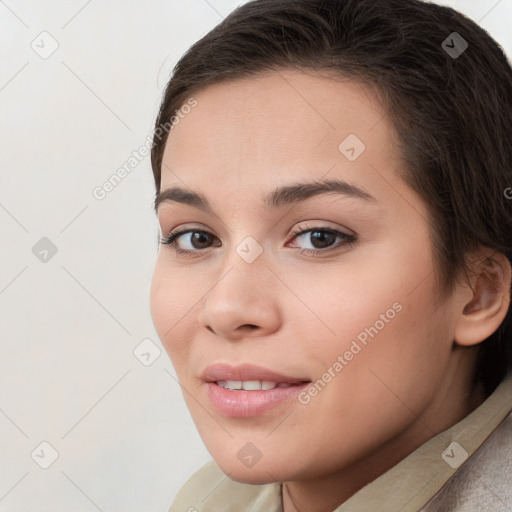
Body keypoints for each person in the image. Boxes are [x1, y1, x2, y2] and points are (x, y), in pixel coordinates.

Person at [148, 0, 512, 510]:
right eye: (195, 238)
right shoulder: (210, 500)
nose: (225, 309)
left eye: (319, 237)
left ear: (479, 293)